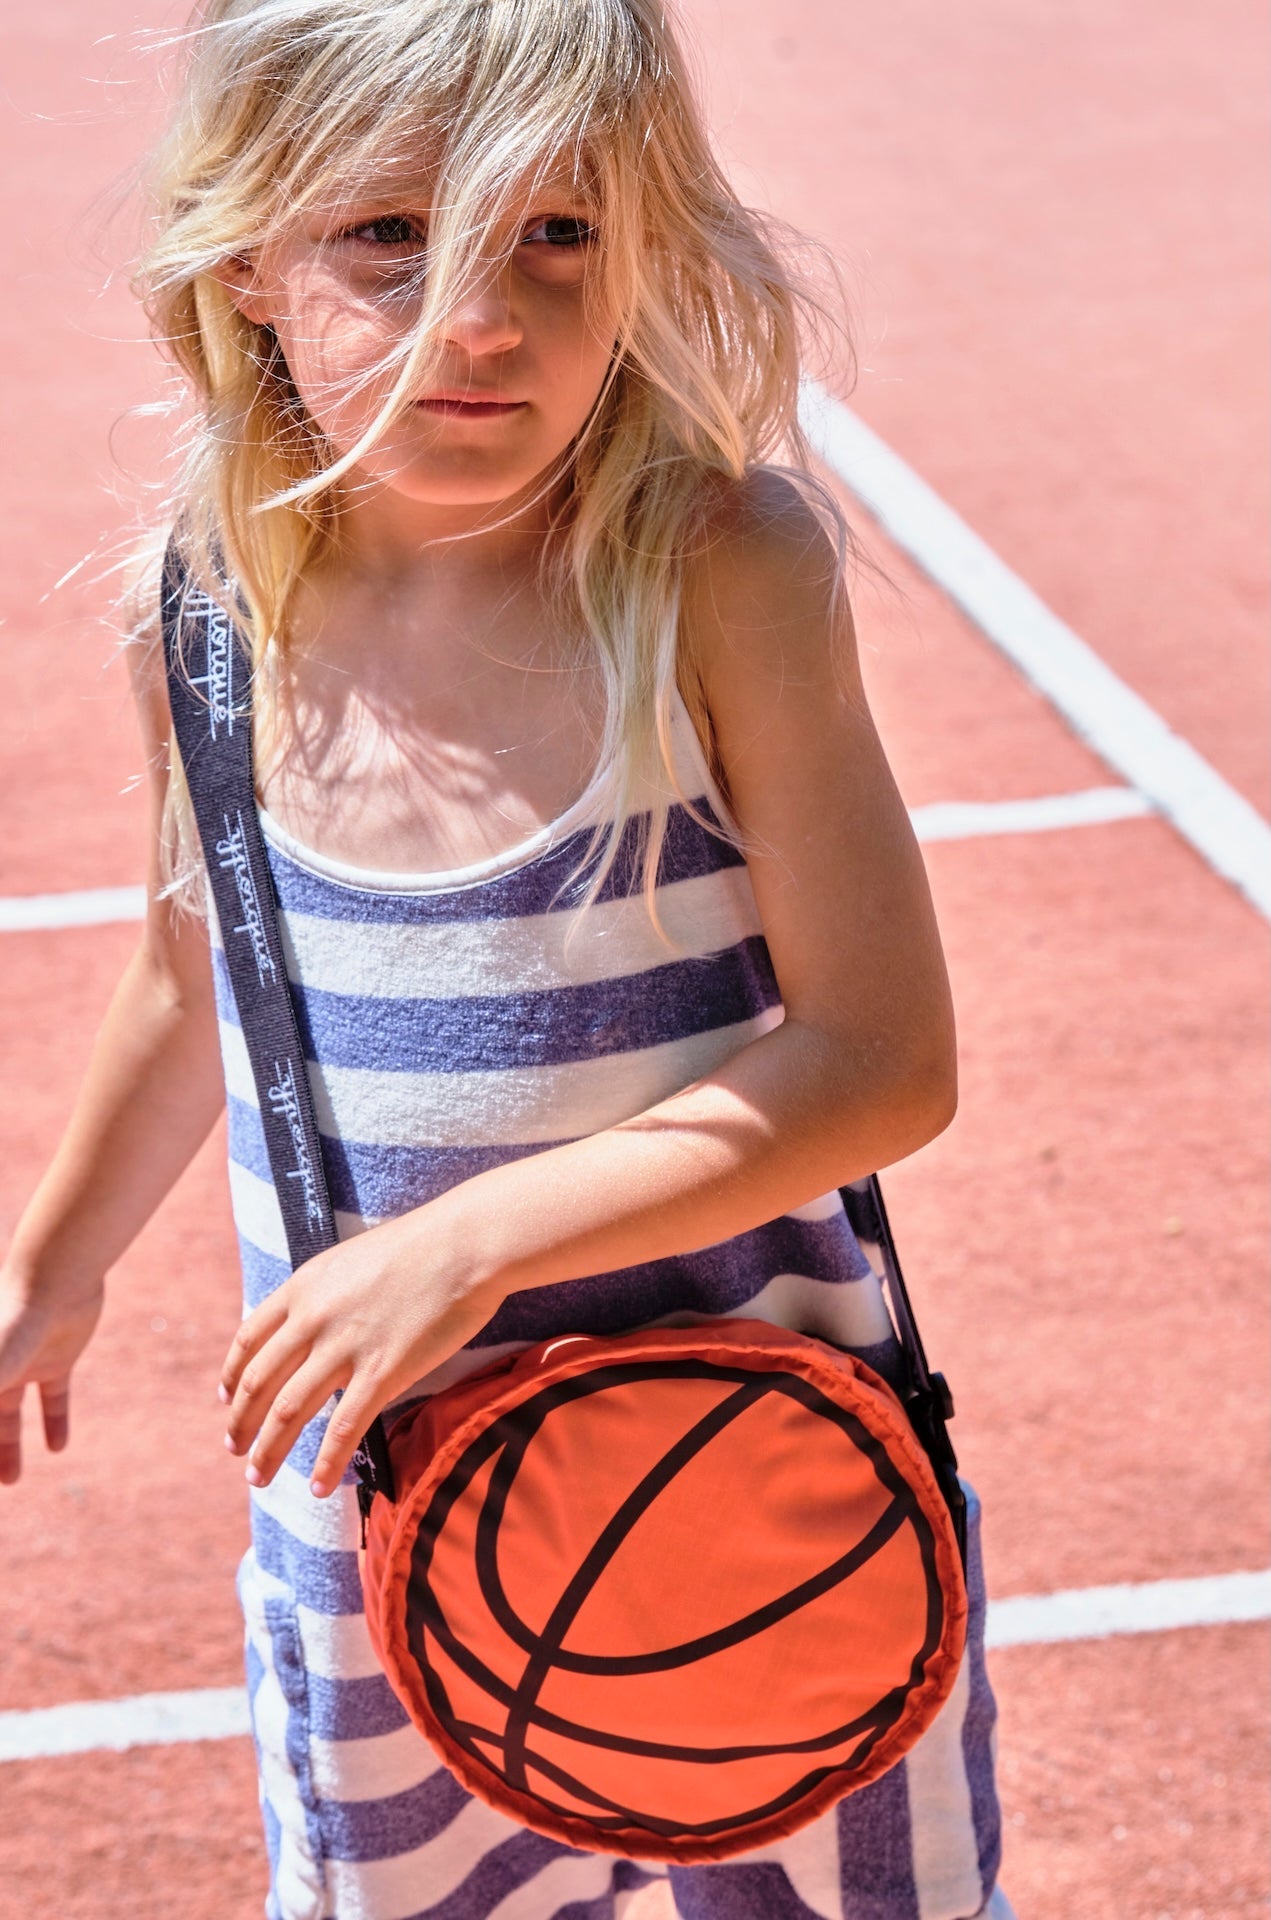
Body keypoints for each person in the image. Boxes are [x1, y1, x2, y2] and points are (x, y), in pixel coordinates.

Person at [0, 2, 1013, 1915]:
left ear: (647, 243)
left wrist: (466, 1246)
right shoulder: (207, 611)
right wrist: (47, 1267)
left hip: (762, 1495)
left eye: (556, 232)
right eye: (388, 234)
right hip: (385, 1522)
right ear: (248, 256)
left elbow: (884, 1061)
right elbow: (193, 983)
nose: (479, 318)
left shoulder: (717, 568)